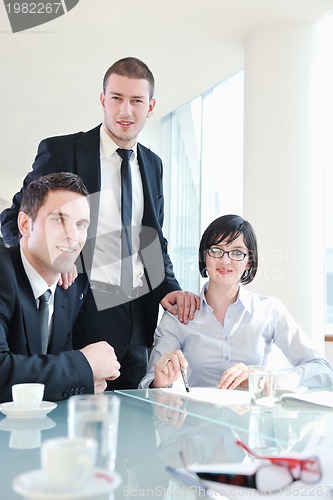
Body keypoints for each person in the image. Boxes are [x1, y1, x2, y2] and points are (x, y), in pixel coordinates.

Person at [0, 57, 199, 390]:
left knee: (133, 426)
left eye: (136, 101)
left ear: (150, 107)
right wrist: (54, 262)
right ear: (102, 100)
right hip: (80, 316)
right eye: (117, 98)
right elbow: (15, 220)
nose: (125, 110)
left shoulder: (153, 165)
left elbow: (152, 241)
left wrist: (169, 288)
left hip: (139, 319)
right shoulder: (62, 151)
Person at [139, 214, 333, 389]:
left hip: (253, 424)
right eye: (216, 250)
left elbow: (323, 370)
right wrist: (160, 383)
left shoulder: (269, 310)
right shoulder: (180, 314)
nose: (225, 261)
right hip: (197, 425)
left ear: (249, 261)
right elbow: (147, 384)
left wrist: (264, 378)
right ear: (204, 257)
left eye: (237, 252)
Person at [0, 172, 120, 404]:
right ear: (25, 224)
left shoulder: (67, 288)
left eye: (81, 225)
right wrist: (84, 366)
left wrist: (84, 380)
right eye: (58, 220)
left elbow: (53, 367)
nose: (73, 236)